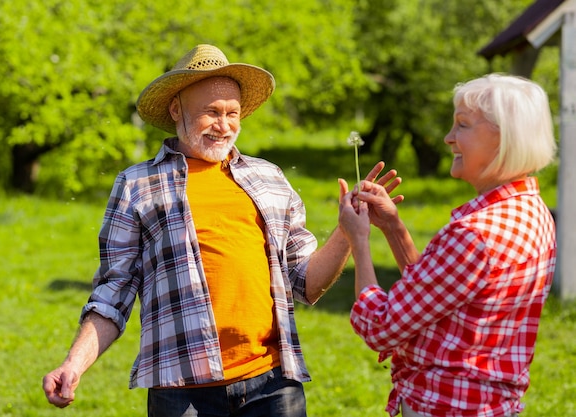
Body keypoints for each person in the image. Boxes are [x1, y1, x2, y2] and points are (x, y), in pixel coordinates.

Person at [42, 44, 397, 417]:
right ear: (177, 109)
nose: (224, 125)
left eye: (232, 113)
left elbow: (306, 284)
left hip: (273, 384)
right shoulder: (137, 186)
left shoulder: (270, 179)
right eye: (211, 112)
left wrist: (346, 232)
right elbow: (113, 294)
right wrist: (73, 365)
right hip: (183, 394)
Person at [338, 74, 557, 417]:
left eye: (463, 125)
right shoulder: (533, 211)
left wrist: (359, 241)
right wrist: (394, 228)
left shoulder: (473, 234)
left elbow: (381, 327)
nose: (448, 137)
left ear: (504, 137)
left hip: (445, 407)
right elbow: (439, 296)